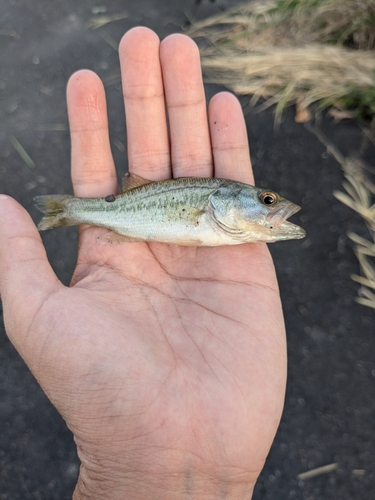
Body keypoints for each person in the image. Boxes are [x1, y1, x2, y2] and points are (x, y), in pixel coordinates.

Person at [0, 27, 286, 499]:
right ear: (226, 200)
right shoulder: (211, 208)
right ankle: (71, 209)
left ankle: (71, 209)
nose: (274, 206)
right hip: (126, 216)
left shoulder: (227, 222)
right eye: (266, 199)